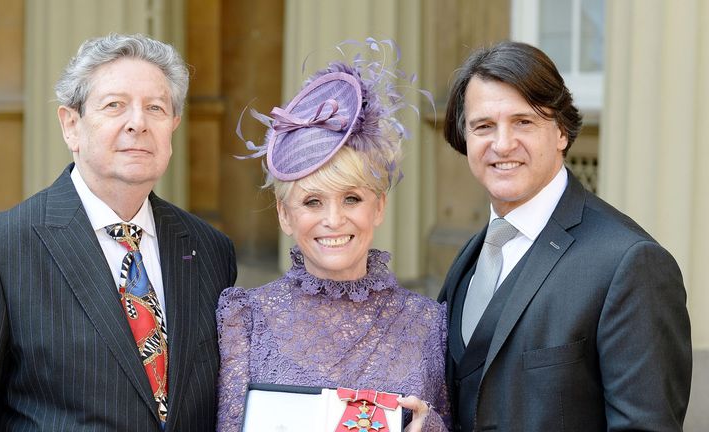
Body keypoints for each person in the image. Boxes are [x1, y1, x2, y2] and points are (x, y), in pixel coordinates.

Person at [0, 33, 236, 430]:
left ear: (173, 127)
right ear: (71, 126)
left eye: (155, 108)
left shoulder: (210, 249)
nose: (138, 123)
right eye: (115, 106)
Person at [438, 40, 692, 431]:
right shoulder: (470, 259)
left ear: (561, 131)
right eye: (484, 126)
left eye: (523, 121)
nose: (502, 144)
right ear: (466, 138)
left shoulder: (630, 262)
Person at [216, 39, 449, 431]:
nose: (334, 219)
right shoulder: (245, 320)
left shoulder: (428, 323)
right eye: (312, 202)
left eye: (352, 198)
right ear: (284, 214)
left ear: (378, 206)